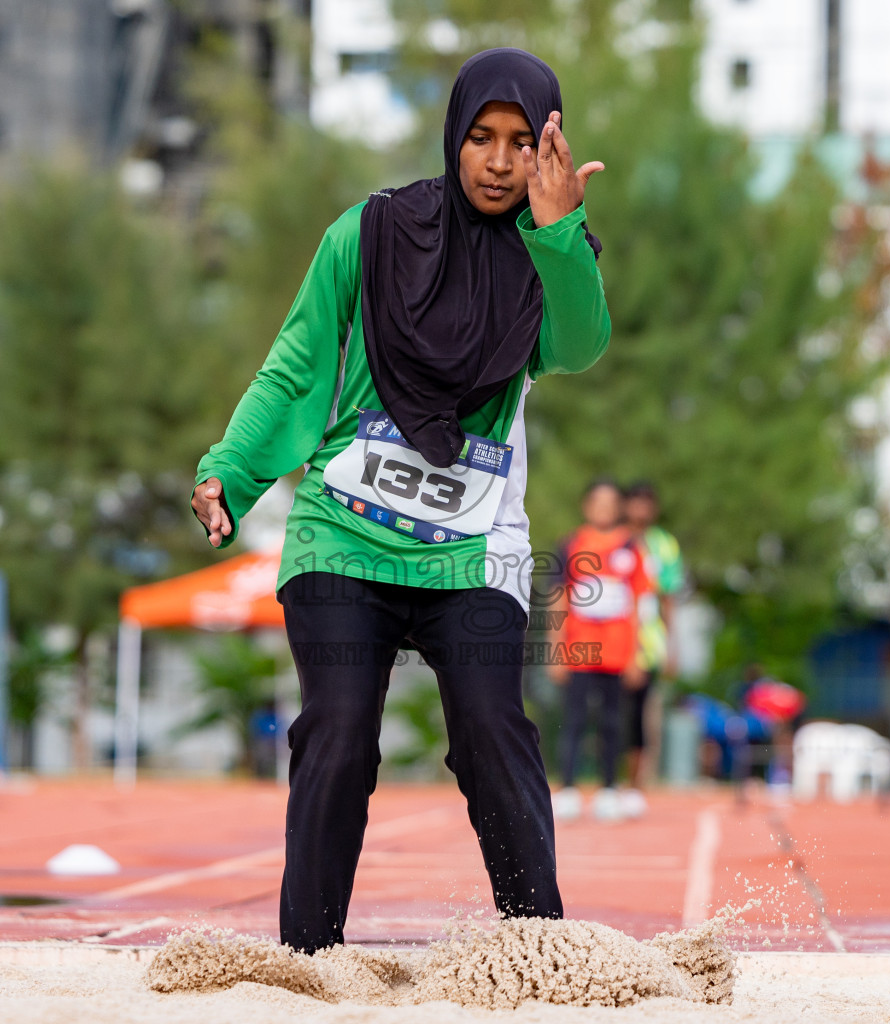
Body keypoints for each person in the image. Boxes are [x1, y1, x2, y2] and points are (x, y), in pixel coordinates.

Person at [191, 48, 609, 953]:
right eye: (480, 138)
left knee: (494, 732)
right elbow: (298, 362)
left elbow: (578, 346)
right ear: (453, 135)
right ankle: (307, 958)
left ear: (548, 145)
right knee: (338, 734)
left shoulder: (551, 248)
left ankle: (540, 949)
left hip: (473, 547)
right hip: (343, 531)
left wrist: (559, 234)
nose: (498, 162)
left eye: (518, 142)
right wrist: (231, 467)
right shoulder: (370, 231)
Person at [548, 479, 651, 822]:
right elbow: (558, 598)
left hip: (618, 650)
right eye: (598, 502)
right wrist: (556, 649)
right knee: (574, 721)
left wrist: (638, 654)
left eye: (611, 502)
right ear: (587, 506)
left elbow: (640, 602)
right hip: (579, 648)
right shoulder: (571, 544)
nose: (604, 508)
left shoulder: (632, 547)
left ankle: (609, 788)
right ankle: (568, 788)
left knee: (612, 722)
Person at [619, 481, 686, 818]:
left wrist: (674, 645)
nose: (640, 510)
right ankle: (606, 782)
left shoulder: (664, 545)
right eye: (635, 502)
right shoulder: (612, 539)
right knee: (607, 714)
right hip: (609, 642)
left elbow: (669, 598)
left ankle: (635, 785)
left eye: (647, 503)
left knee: (638, 716)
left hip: (647, 644)